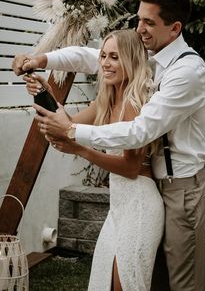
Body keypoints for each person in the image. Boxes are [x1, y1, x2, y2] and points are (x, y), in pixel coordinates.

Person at [12, 0, 205, 291]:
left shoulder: (186, 71)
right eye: (139, 20)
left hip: (180, 186)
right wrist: (42, 61)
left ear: (174, 28)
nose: (139, 29)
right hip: (148, 185)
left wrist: (73, 135)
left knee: (181, 282)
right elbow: (89, 56)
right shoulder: (148, 57)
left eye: (149, 22)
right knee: (153, 280)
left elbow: (140, 132)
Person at [24, 29, 165, 291]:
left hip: (140, 206)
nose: (105, 63)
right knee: (103, 283)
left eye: (114, 57)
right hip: (119, 207)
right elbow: (67, 124)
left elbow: (131, 168)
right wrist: (44, 92)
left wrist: (80, 149)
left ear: (131, 61)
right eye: (102, 56)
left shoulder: (135, 103)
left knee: (127, 285)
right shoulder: (107, 100)